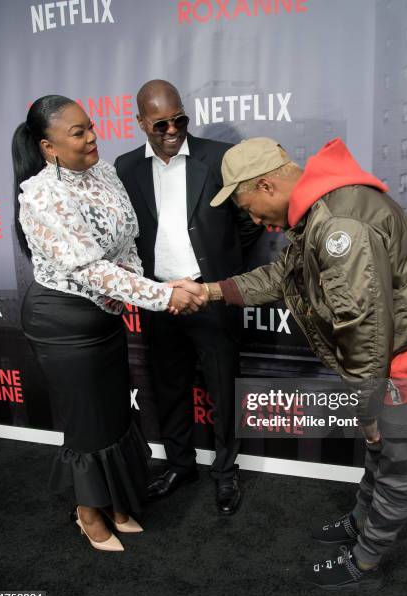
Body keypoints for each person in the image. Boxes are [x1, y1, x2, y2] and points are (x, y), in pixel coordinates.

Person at [176, 136, 407, 589]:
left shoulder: (340, 227)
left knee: (393, 465)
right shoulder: (319, 206)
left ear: (268, 185)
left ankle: (366, 562)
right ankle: (358, 522)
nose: (254, 220)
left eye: (249, 207)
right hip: (396, 359)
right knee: (379, 451)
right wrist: (213, 291)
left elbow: (364, 327)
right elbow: (283, 275)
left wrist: (368, 408)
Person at [12, 95, 202, 552]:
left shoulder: (105, 173)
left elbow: (125, 250)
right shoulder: (42, 196)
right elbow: (92, 269)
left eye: (91, 127)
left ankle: (116, 501)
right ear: (48, 146)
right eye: (78, 133)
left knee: (115, 415)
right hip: (62, 323)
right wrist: (163, 295)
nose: (93, 137)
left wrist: (158, 283)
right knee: (87, 425)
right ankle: (87, 512)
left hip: (105, 318)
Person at [114, 80, 261, 515]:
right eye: (160, 123)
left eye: (179, 119)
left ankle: (226, 472)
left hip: (212, 294)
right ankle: (180, 465)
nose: (172, 129)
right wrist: (159, 289)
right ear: (141, 122)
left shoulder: (216, 157)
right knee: (168, 386)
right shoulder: (125, 168)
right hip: (160, 299)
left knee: (223, 388)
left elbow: (248, 220)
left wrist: (219, 267)